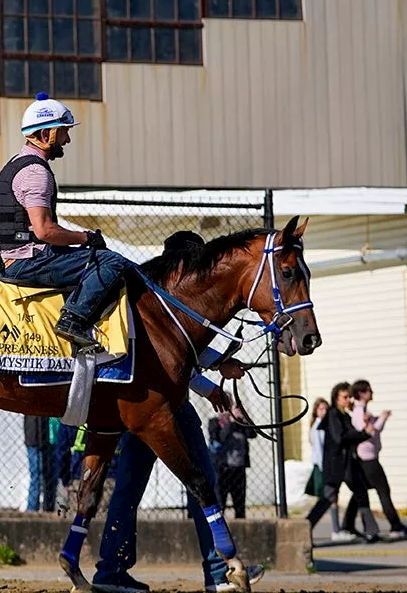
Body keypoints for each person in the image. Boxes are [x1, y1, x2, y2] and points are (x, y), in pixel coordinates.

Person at [91, 232, 263, 593]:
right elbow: (180, 361)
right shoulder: (172, 301)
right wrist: (214, 380)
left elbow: (184, 357)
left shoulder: (150, 301)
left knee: (128, 489)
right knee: (202, 481)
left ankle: (110, 571)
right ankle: (218, 571)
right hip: (171, 411)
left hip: (139, 410)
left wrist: (219, 369)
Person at [0, 93, 134, 354]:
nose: (67, 140)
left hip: (20, 257)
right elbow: (44, 231)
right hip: (28, 263)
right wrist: (86, 238)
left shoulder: (17, 163)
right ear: (46, 133)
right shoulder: (36, 172)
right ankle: (73, 320)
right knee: (111, 261)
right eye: (63, 133)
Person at [305, 382, 379, 543]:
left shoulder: (344, 415)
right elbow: (340, 438)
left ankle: (370, 530)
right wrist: (363, 434)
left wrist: (362, 431)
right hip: (336, 465)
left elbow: (351, 434)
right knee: (327, 498)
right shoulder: (333, 415)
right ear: (336, 398)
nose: (348, 400)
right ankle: (305, 529)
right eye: (345, 397)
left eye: (349, 397)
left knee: (360, 492)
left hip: (348, 464)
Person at [343, 380, 407, 538]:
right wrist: (382, 418)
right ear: (362, 393)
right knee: (383, 491)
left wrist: (378, 419)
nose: (372, 393)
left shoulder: (361, 410)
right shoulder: (359, 411)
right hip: (368, 459)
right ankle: (395, 526)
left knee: (360, 492)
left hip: (368, 458)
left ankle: (347, 524)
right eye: (368, 390)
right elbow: (368, 432)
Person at [305, 397, 352, 541]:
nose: (324, 411)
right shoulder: (318, 427)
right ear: (316, 411)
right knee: (327, 498)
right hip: (322, 467)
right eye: (321, 409)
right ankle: (332, 530)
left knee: (331, 498)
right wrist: (324, 468)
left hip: (327, 466)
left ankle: (336, 529)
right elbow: (319, 450)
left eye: (326, 409)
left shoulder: (327, 424)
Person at [208, 410, 250, 519]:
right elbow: (221, 437)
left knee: (240, 505)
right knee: (220, 503)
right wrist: (230, 423)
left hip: (238, 468)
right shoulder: (215, 422)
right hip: (222, 469)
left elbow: (251, 433)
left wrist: (243, 419)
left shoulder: (239, 423)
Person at [23, 415, 57, 512]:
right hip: (35, 440)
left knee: (45, 475)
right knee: (37, 475)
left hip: (43, 440)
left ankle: (43, 507)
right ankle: (32, 508)